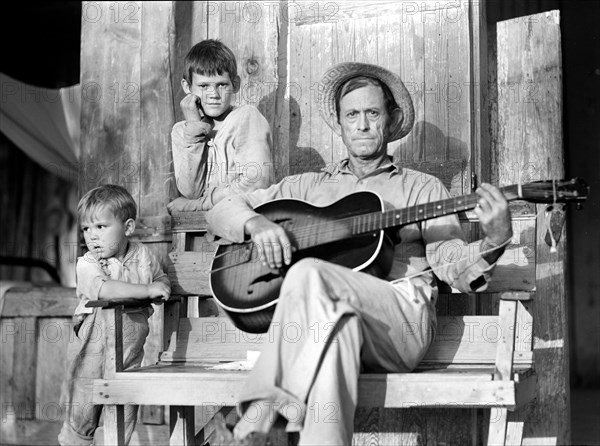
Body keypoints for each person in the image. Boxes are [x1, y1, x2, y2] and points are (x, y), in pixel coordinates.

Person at [207, 62, 513, 445]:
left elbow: (452, 265)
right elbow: (220, 208)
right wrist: (256, 226)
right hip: (331, 323)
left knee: (309, 273)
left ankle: (254, 421)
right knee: (334, 336)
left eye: (373, 113)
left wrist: (493, 240)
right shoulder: (307, 186)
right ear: (339, 122)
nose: (363, 124)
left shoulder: (422, 188)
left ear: (390, 119)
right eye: (352, 114)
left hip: (400, 324)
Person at [58, 184, 171, 446]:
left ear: (128, 227)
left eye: (100, 227)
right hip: (93, 346)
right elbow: (107, 290)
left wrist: (162, 284)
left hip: (130, 349)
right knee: (84, 403)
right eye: (86, 229)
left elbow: (160, 278)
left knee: (125, 401)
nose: (92, 236)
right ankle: (75, 442)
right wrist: (147, 290)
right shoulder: (87, 264)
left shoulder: (143, 255)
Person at [167, 39, 274, 213]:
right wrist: (195, 128)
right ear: (187, 87)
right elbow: (191, 192)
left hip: (246, 226)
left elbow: (256, 185)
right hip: (200, 232)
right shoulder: (182, 132)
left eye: (222, 85)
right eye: (203, 86)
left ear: (235, 84)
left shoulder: (246, 117)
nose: (214, 94)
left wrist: (197, 205)